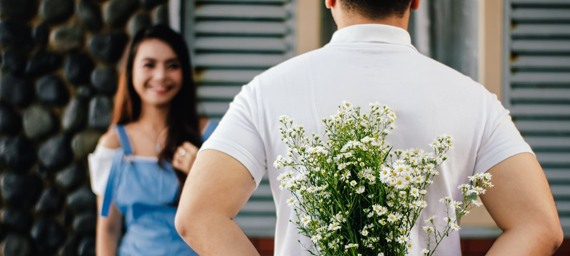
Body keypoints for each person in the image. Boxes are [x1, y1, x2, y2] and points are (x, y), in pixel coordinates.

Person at [174, 0, 563, 255]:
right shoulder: (473, 99)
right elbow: (540, 226)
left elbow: (197, 216)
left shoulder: (267, 91)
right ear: (415, 1)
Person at [88, 25, 217, 255]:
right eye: (149, 65)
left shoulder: (209, 136)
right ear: (131, 71)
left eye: (172, 66)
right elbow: (108, 228)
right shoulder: (113, 145)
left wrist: (200, 174)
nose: (160, 76)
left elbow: (224, 216)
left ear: (184, 73)